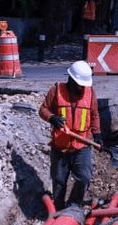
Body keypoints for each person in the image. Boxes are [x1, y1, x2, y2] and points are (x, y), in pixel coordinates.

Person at [39, 60, 100, 208]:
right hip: (60, 147)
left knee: (84, 178)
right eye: (80, 84)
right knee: (59, 181)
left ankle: (73, 206)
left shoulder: (90, 93)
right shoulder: (56, 90)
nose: (82, 88)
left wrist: (97, 134)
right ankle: (58, 208)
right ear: (71, 79)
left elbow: (94, 115)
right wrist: (52, 118)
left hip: (82, 146)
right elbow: (43, 110)